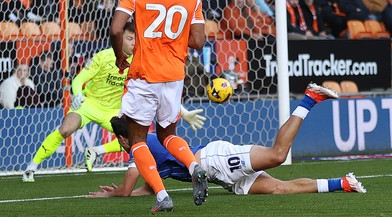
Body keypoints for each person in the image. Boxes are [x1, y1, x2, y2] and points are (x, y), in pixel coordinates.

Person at [89, 83, 367, 199]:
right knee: (278, 190)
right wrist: (134, 192)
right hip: (220, 176)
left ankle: (310, 98)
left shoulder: (142, 146)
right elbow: (150, 187)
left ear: (124, 138)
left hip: (214, 160)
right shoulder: (147, 147)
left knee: (277, 154)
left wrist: (114, 193)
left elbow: (126, 190)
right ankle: (343, 183)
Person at [22, 22, 206, 182]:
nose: (133, 43)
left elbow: (159, 90)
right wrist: (77, 94)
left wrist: (183, 112)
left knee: (134, 140)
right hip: (89, 104)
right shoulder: (104, 56)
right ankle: (32, 166)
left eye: (135, 39)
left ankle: (96, 152)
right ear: (121, 39)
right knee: (65, 129)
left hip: (114, 110)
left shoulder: (141, 62)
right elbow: (79, 79)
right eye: (129, 38)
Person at [110, 0, 208, 212]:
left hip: (145, 74)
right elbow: (199, 41)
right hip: (174, 77)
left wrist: (119, 56)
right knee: (167, 135)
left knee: (137, 139)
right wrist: (173, 40)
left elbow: (116, 29)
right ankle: (194, 166)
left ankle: (162, 195)